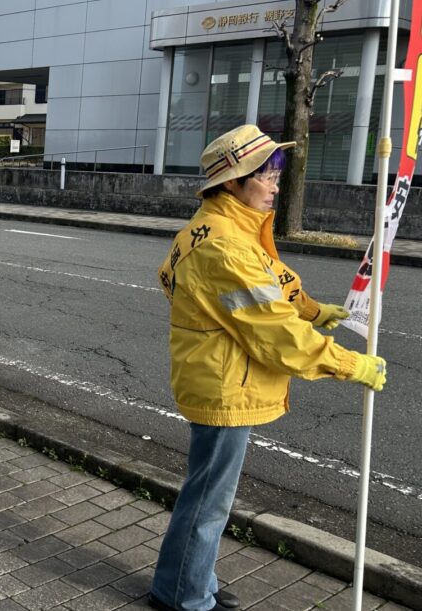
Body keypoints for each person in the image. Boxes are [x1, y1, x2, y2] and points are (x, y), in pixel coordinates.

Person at [150, 125, 388, 611]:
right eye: (265, 175)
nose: (276, 183)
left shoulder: (217, 227)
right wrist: (349, 364)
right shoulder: (226, 246)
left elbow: (270, 284)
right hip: (224, 385)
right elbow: (274, 332)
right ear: (233, 183)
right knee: (209, 501)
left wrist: (314, 310)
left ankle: (191, 582)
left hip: (217, 375)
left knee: (208, 494)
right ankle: (184, 596)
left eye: (276, 172)